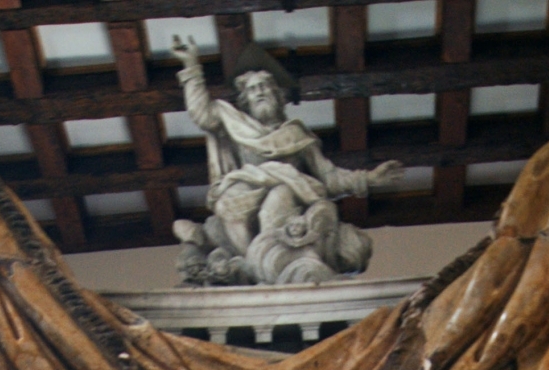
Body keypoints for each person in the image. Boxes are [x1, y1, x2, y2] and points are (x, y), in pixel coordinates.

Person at [168, 37, 401, 285]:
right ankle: (252, 264)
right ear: (245, 101)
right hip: (243, 190)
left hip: (288, 193)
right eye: (252, 89)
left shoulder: (297, 135)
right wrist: (191, 65)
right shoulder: (237, 126)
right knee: (228, 202)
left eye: (265, 87)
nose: (259, 92)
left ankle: (271, 261)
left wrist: (368, 179)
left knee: (279, 195)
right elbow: (202, 113)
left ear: (278, 97)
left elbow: (329, 177)